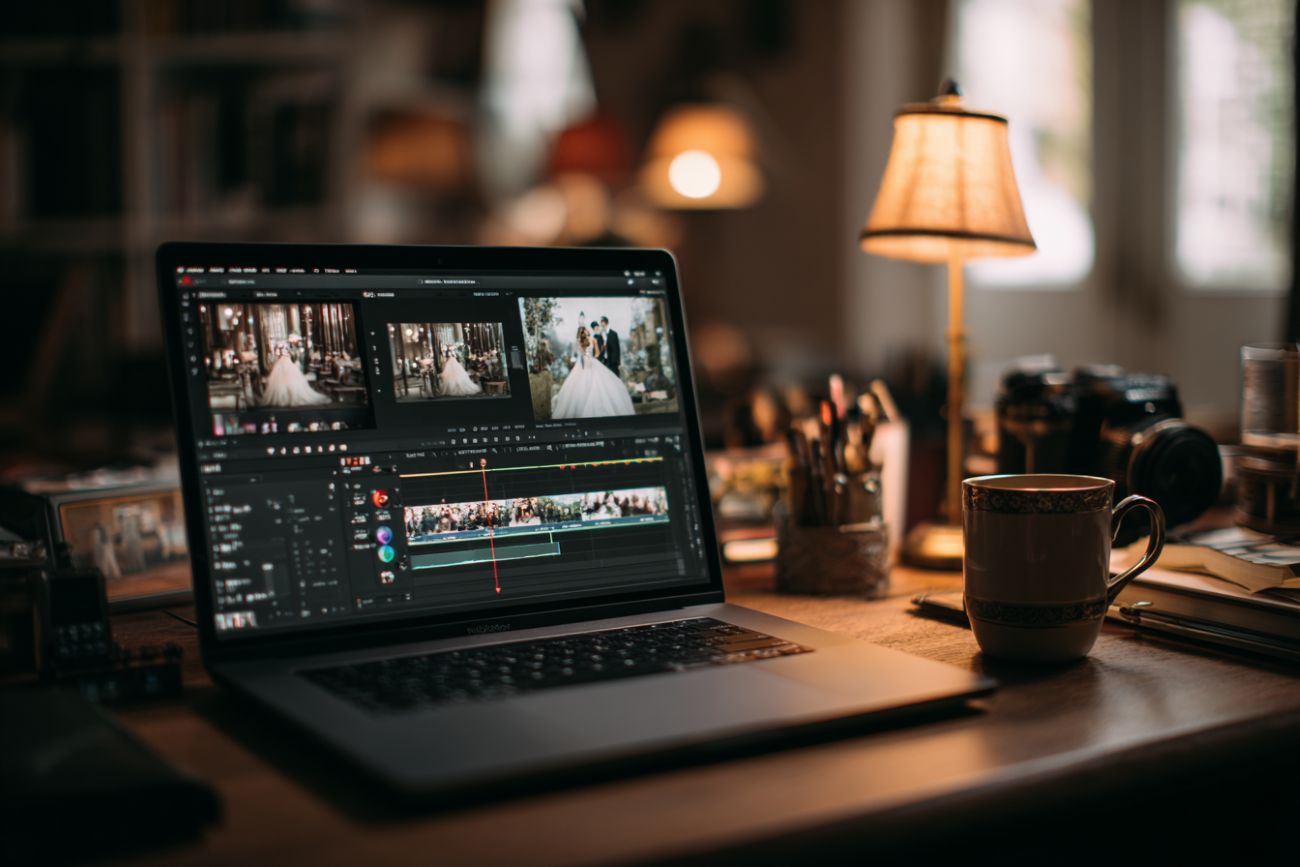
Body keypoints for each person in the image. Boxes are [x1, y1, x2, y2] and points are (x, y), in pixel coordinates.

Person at [551, 325, 635, 419]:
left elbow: (590, 353)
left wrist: (588, 356)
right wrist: (589, 355)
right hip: (586, 363)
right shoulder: (586, 341)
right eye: (585, 331)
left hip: (587, 363)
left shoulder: (586, 341)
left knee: (589, 385)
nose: (586, 332)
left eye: (585, 331)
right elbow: (590, 353)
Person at [261, 344, 331, 407]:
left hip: (286, 363)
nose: (282, 350)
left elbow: (289, 357)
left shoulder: (284, 354)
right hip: (284, 363)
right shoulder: (283, 354)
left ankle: (287, 395)